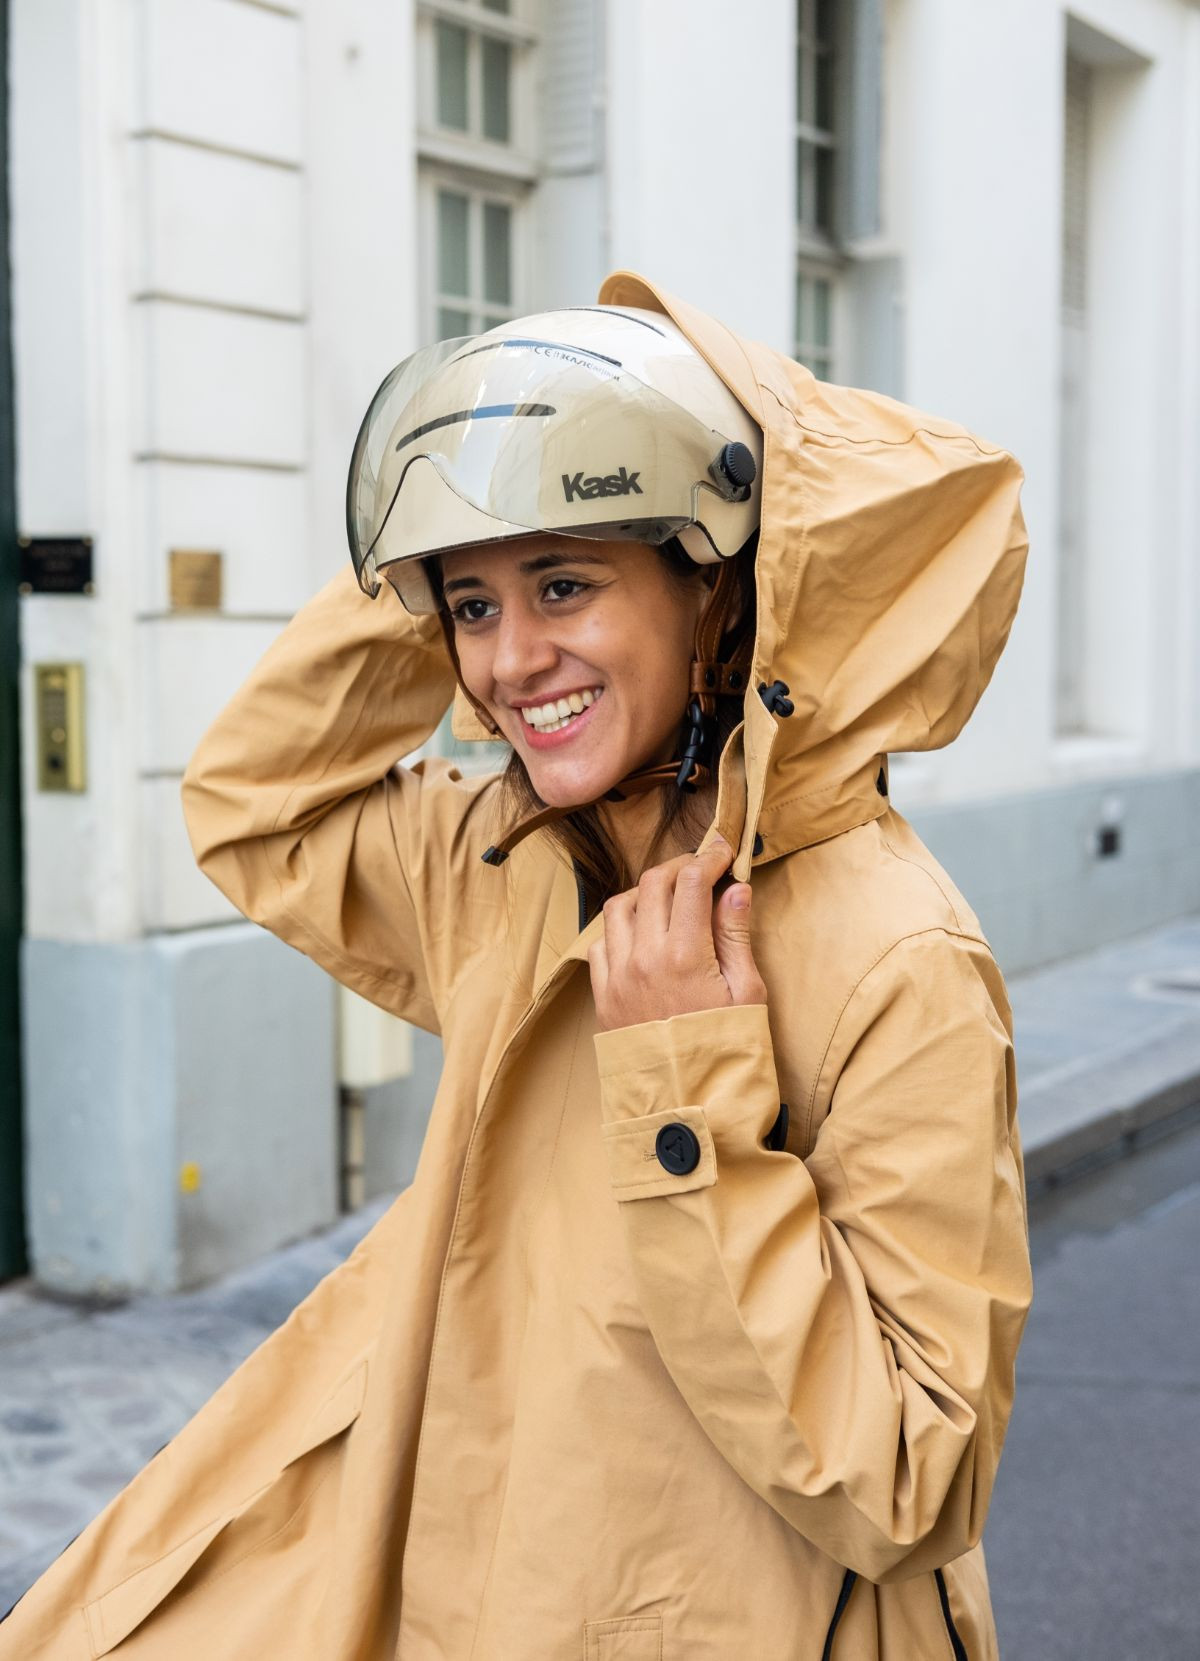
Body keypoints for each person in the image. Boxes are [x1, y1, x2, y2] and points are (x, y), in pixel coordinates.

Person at [1, 272, 1033, 1660]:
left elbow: (914, 1479)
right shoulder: (510, 857)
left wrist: (687, 1104)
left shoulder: (898, 952)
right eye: (470, 607)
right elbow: (255, 804)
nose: (510, 659)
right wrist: (442, 526)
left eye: (564, 583)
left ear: (717, 590)